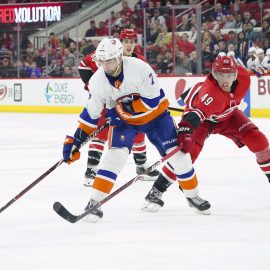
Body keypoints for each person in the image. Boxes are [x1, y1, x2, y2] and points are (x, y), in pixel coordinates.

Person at [62, 37, 210, 222]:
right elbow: (90, 115)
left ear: (119, 57)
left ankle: (192, 195)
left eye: (109, 61)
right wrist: (75, 140)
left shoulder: (140, 68)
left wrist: (121, 109)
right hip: (125, 122)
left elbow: (152, 101)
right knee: (114, 158)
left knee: (179, 157)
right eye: (102, 62)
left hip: (156, 117)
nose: (105, 66)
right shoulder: (97, 80)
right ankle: (94, 202)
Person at [144, 55, 270, 212]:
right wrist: (186, 130)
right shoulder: (210, 93)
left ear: (236, 74)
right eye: (220, 75)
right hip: (203, 120)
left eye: (229, 75)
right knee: (187, 154)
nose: (225, 80)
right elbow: (195, 115)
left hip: (228, 116)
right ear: (213, 74)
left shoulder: (244, 77)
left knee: (259, 141)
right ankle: (156, 191)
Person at [78, 29, 159, 186]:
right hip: (105, 100)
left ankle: (141, 166)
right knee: (100, 132)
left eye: (132, 41)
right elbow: (83, 65)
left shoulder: (139, 60)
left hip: (127, 105)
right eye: (126, 41)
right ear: (120, 44)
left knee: (138, 131)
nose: (129, 45)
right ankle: (91, 170)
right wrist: (93, 89)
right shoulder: (107, 53)